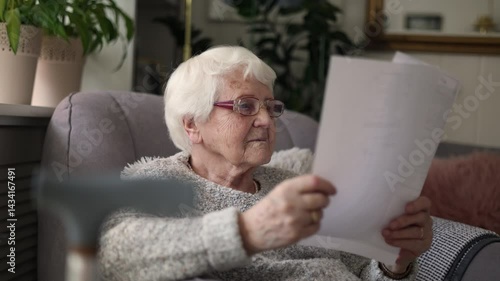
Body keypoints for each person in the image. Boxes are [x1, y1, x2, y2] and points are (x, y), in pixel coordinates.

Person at [98, 46, 433, 281]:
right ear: (192, 124)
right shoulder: (157, 182)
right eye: (245, 106)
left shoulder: (291, 184)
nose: (266, 121)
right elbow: (117, 257)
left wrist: (395, 265)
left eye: (270, 107)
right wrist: (247, 231)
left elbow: (360, 269)